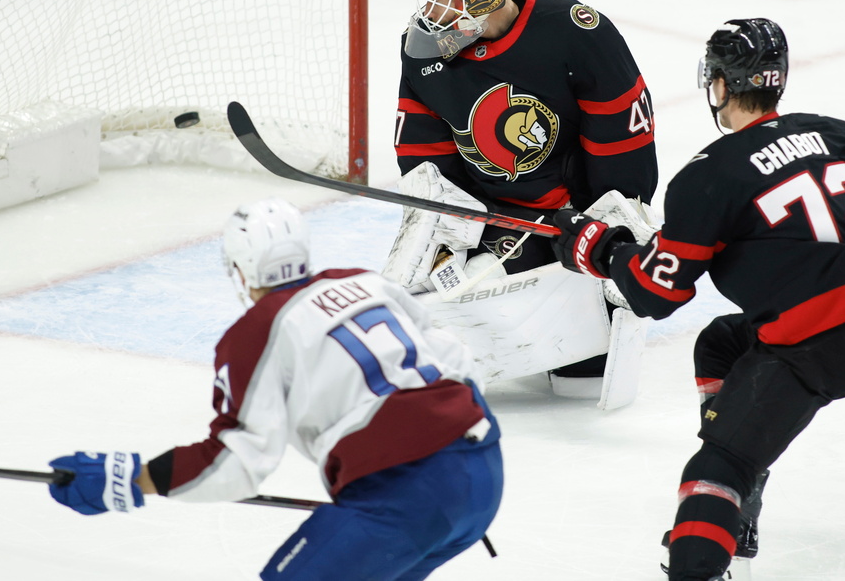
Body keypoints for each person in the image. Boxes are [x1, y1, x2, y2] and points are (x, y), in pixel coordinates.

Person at [550, 17, 845, 580]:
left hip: (817, 345)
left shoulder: (708, 176)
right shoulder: (836, 134)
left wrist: (600, 250)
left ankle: (712, 536)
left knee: (718, 465)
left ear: (720, 85)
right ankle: (742, 499)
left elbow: (654, 293)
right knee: (721, 344)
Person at [46, 198, 503, 581]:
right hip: (484, 471)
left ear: (240, 270)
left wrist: (132, 479)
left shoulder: (255, 333)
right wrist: (456, 470)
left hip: (407, 495)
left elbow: (235, 462)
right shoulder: (365, 281)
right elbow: (455, 358)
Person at [384, 0, 658, 397]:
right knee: (430, 299)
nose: (432, 15)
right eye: (427, 0)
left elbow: (623, 157)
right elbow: (425, 156)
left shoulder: (575, 32)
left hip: (564, 222)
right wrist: (449, 234)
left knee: (579, 379)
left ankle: (580, 325)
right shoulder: (425, 52)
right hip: (488, 218)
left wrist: (604, 239)